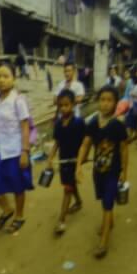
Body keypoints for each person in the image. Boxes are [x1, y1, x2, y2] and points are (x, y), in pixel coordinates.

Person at [77, 84, 129, 260]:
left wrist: (124, 172)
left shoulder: (117, 125)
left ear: (115, 103)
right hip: (98, 171)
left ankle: (104, 241)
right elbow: (85, 144)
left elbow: (124, 149)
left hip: (113, 172)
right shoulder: (93, 123)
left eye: (109, 100)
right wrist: (78, 165)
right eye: (102, 99)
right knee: (103, 200)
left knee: (107, 202)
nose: (105, 103)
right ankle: (110, 221)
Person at [0, 61, 32, 233]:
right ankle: (7, 210)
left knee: (18, 187)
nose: (1, 80)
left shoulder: (18, 100)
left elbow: (25, 127)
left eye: (5, 76)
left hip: (14, 151)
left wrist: (25, 151)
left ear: (13, 79)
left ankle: (19, 216)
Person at [49, 88, 88, 237]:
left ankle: (61, 220)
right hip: (63, 160)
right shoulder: (58, 124)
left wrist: (82, 159)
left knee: (67, 188)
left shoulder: (79, 123)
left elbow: (86, 142)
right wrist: (50, 158)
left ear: (73, 105)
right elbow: (57, 142)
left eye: (66, 105)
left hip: (75, 161)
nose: (63, 108)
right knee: (70, 184)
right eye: (61, 105)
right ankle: (78, 202)